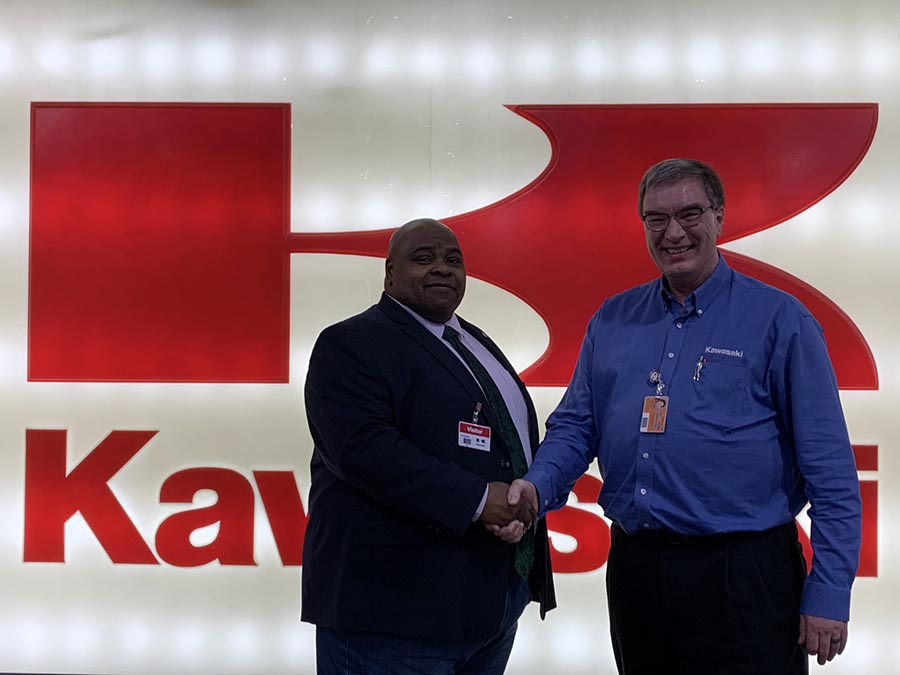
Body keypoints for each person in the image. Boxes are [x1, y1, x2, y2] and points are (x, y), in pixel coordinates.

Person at [507, 159, 861, 674]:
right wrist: (536, 488)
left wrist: (828, 593)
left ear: (719, 216)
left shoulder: (780, 320)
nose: (674, 232)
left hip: (745, 578)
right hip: (637, 571)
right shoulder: (613, 318)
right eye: (657, 219)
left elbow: (830, 472)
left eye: (690, 213)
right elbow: (577, 426)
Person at [302, 218, 555, 674]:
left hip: (487, 606)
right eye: (424, 258)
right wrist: (480, 501)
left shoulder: (473, 340)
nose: (442, 268)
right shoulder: (350, 343)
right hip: (392, 614)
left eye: (453, 260)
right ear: (390, 273)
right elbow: (363, 450)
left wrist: (518, 506)